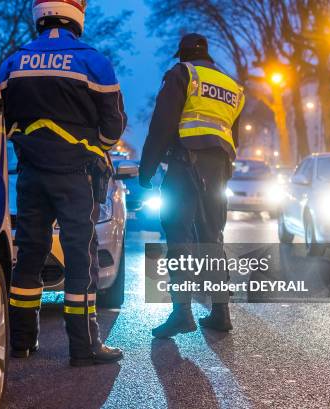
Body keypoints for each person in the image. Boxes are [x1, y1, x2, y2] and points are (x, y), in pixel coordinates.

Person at [0, 0, 127, 366]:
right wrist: (91, 150)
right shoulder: (92, 61)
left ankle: (21, 343)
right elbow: (113, 125)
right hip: (74, 177)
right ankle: (83, 347)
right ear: (77, 16)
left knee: (29, 256)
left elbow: (1, 117)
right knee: (78, 258)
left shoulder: (14, 61)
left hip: (30, 174)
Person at [139, 34, 245, 337]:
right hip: (219, 169)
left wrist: (146, 170)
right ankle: (221, 312)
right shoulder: (232, 85)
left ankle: (182, 312)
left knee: (178, 237)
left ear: (182, 55)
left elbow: (162, 125)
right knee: (213, 238)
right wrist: (225, 172)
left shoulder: (182, 74)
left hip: (185, 165)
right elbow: (233, 137)